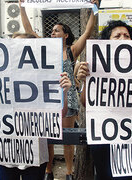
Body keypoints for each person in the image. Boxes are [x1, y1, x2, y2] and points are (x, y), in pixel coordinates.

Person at [0, 32, 72, 180]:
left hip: (35, 153)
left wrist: (63, 92)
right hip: (5, 151)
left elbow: (61, 114)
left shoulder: (46, 75)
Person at [18, 0, 99, 179]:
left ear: (65, 35)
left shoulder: (71, 51)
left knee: (67, 139)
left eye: (57, 30)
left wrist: (95, 8)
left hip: (67, 98)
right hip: (46, 99)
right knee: (48, 139)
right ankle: (49, 170)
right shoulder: (43, 48)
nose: (52, 32)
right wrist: (21, 7)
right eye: (52, 30)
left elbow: (86, 32)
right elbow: (30, 31)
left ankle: (69, 172)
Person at [76, 20, 132, 180]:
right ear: (107, 41)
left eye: (126, 35)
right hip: (105, 136)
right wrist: (86, 80)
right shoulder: (96, 65)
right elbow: (86, 103)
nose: (123, 38)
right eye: (117, 35)